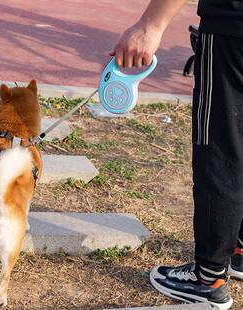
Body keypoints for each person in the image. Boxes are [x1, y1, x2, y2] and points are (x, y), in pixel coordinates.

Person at [111, 1, 243, 309]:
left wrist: (150, 26)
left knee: (220, 148)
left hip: (233, 28)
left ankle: (208, 278)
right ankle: (238, 251)